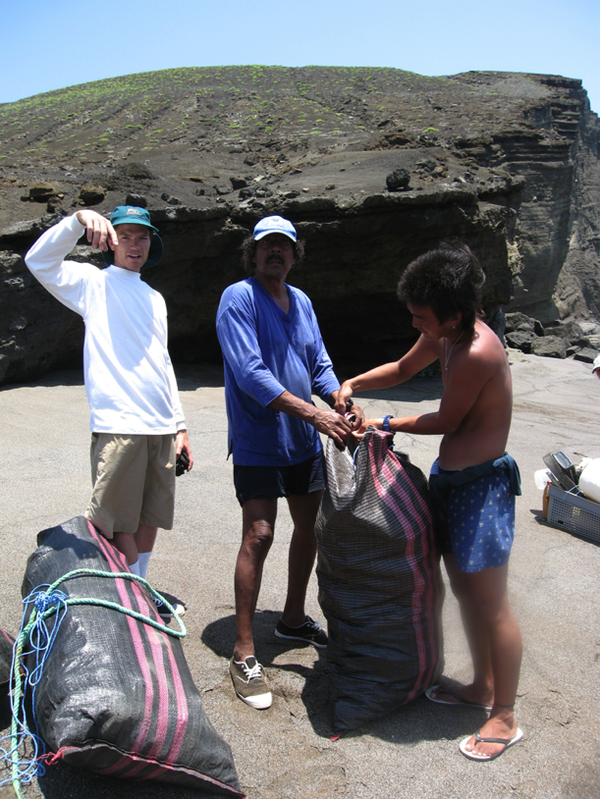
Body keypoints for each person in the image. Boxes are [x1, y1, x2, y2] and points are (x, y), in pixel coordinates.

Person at [336, 242, 523, 761]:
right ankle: (482, 685)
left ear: (454, 315)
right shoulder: (443, 334)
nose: (415, 324)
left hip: (481, 489)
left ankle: (505, 715)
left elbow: (446, 420)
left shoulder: (477, 352)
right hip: (451, 481)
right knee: (464, 592)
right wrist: (353, 382)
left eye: (422, 317)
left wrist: (382, 422)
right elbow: (401, 368)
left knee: (491, 603)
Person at [216, 215, 361, 709]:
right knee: (259, 534)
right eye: (267, 246)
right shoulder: (238, 298)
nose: (275, 253)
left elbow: (318, 362)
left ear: (296, 254)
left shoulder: (302, 302)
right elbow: (250, 372)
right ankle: (243, 650)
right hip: (259, 440)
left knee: (311, 528)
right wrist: (316, 415)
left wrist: (339, 397)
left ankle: (293, 619)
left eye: (284, 246)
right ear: (253, 253)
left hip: (301, 442)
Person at [25, 206, 193, 618]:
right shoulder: (93, 283)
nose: (135, 245)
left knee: (149, 517)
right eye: (126, 236)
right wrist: (78, 219)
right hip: (120, 424)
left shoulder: (154, 298)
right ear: (110, 242)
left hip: (160, 424)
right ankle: (131, 598)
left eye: (143, 237)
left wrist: (179, 425)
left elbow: (162, 361)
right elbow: (38, 261)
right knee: (116, 523)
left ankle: (141, 589)